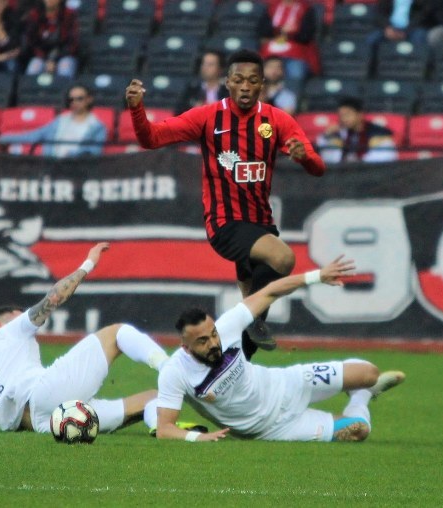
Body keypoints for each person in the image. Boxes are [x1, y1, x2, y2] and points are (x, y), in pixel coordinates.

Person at [125, 49, 326, 359]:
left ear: (262, 85)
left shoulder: (276, 120)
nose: (245, 86)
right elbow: (151, 138)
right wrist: (137, 109)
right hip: (224, 222)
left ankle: (229, 367)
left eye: (252, 80)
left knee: (251, 331)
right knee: (283, 259)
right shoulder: (207, 117)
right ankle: (244, 323)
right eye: (238, 79)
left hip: (260, 223)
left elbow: (318, 168)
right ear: (227, 82)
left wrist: (305, 157)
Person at [155, 256, 406, 442]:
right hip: (271, 429)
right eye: (202, 341)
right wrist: (198, 438)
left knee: (369, 373)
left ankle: (366, 387)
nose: (213, 343)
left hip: (287, 384)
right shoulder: (174, 372)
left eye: (213, 335)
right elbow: (165, 428)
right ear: (185, 347)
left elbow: (270, 291)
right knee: (359, 431)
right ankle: (362, 397)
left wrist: (317, 276)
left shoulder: (228, 325)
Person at [0, 242, 170, 435]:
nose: (24, 318)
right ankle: (170, 370)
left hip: (45, 424)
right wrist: (88, 264)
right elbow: (54, 298)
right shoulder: (7, 332)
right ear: (0, 325)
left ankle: (160, 426)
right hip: (45, 394)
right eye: (18, 315)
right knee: (117, 333)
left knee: (156, 399)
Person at [0, 84, 107, 158]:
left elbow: (94, 153)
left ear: (89, 99)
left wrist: (70, 155)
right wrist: (3, 138)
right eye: (71, 99)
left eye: (79, 98)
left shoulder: (97, 127)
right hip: (51, 166)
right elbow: (34, 135)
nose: (74, 102)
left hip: (77, 169)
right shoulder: (61, 120)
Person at [317, 97, 398, 164]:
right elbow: (327, 157)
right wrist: (327, 135)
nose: (344, 119)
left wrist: (359, 163)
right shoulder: (338, 133)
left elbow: (386, 157)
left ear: (360, 115)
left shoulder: (379, 133)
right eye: (341, 115)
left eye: (347, 115)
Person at [258, 0, 320, 82]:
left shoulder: (306, 9)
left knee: (296, 73)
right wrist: (281, 30)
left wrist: (291, 33)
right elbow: (263, 31)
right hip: (271, 52)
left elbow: (306, 36)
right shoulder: (272, 8)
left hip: (296, 53)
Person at [23, 0, 79, 78]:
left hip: (64, 55)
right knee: (34, 68)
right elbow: (31, 42)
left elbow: (73, 43)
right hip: (41, 55)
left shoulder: (69, 14)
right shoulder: (35, 14)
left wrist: (54, 59)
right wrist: (46, 59)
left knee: (65, 69)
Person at [175, 50, 228, 115]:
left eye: (210, 64)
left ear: (220, 68)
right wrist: (193, 109)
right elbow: (178, 113)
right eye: (203, 63)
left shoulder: (227, 91)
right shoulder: (192, 89)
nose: (205, 67)